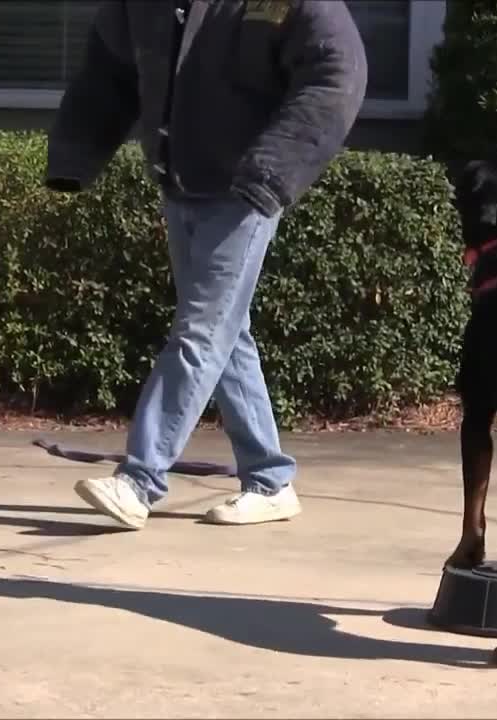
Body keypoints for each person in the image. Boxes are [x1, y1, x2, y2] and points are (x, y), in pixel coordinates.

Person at [43, 0, 367, 529]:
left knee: (200, 332)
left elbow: (336, 72)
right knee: (225, 333)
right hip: (181, 183)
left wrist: (273, 170)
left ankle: (139, 481)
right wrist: (75, 156)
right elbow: (108, 71)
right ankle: (270, 480)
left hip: (246, 192)